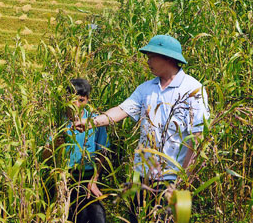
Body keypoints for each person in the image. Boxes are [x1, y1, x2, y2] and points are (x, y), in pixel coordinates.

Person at [74, 35, 209, 222]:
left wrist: (181, 182)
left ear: (168, 58)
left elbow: (197, 137)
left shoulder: (193, 90)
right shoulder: (146, 89)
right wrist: (91, 122)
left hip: (171, 179)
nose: (148, 61)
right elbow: (121, 111)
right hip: (142, 178)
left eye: (151, 56)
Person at [43, 78, 109, 223]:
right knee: (76, 217)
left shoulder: (95, 121)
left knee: (98, 217)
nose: (76, 105)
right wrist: (54, 145)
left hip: (89, 177)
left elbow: (102, 151)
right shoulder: (57, 122)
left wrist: (95, 179)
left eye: (81, 100)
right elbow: (44, 157)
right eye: (72, 99)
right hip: (66, 179)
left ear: (87, 100)